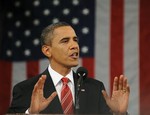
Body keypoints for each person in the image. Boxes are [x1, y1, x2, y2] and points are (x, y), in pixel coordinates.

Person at [7, 22, 130, 114]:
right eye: (65, 41)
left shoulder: (95, 88)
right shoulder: (26, 89)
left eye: (75, 40)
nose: (74, 46)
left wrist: (120, 113)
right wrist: (30, 113)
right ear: (47, 50)